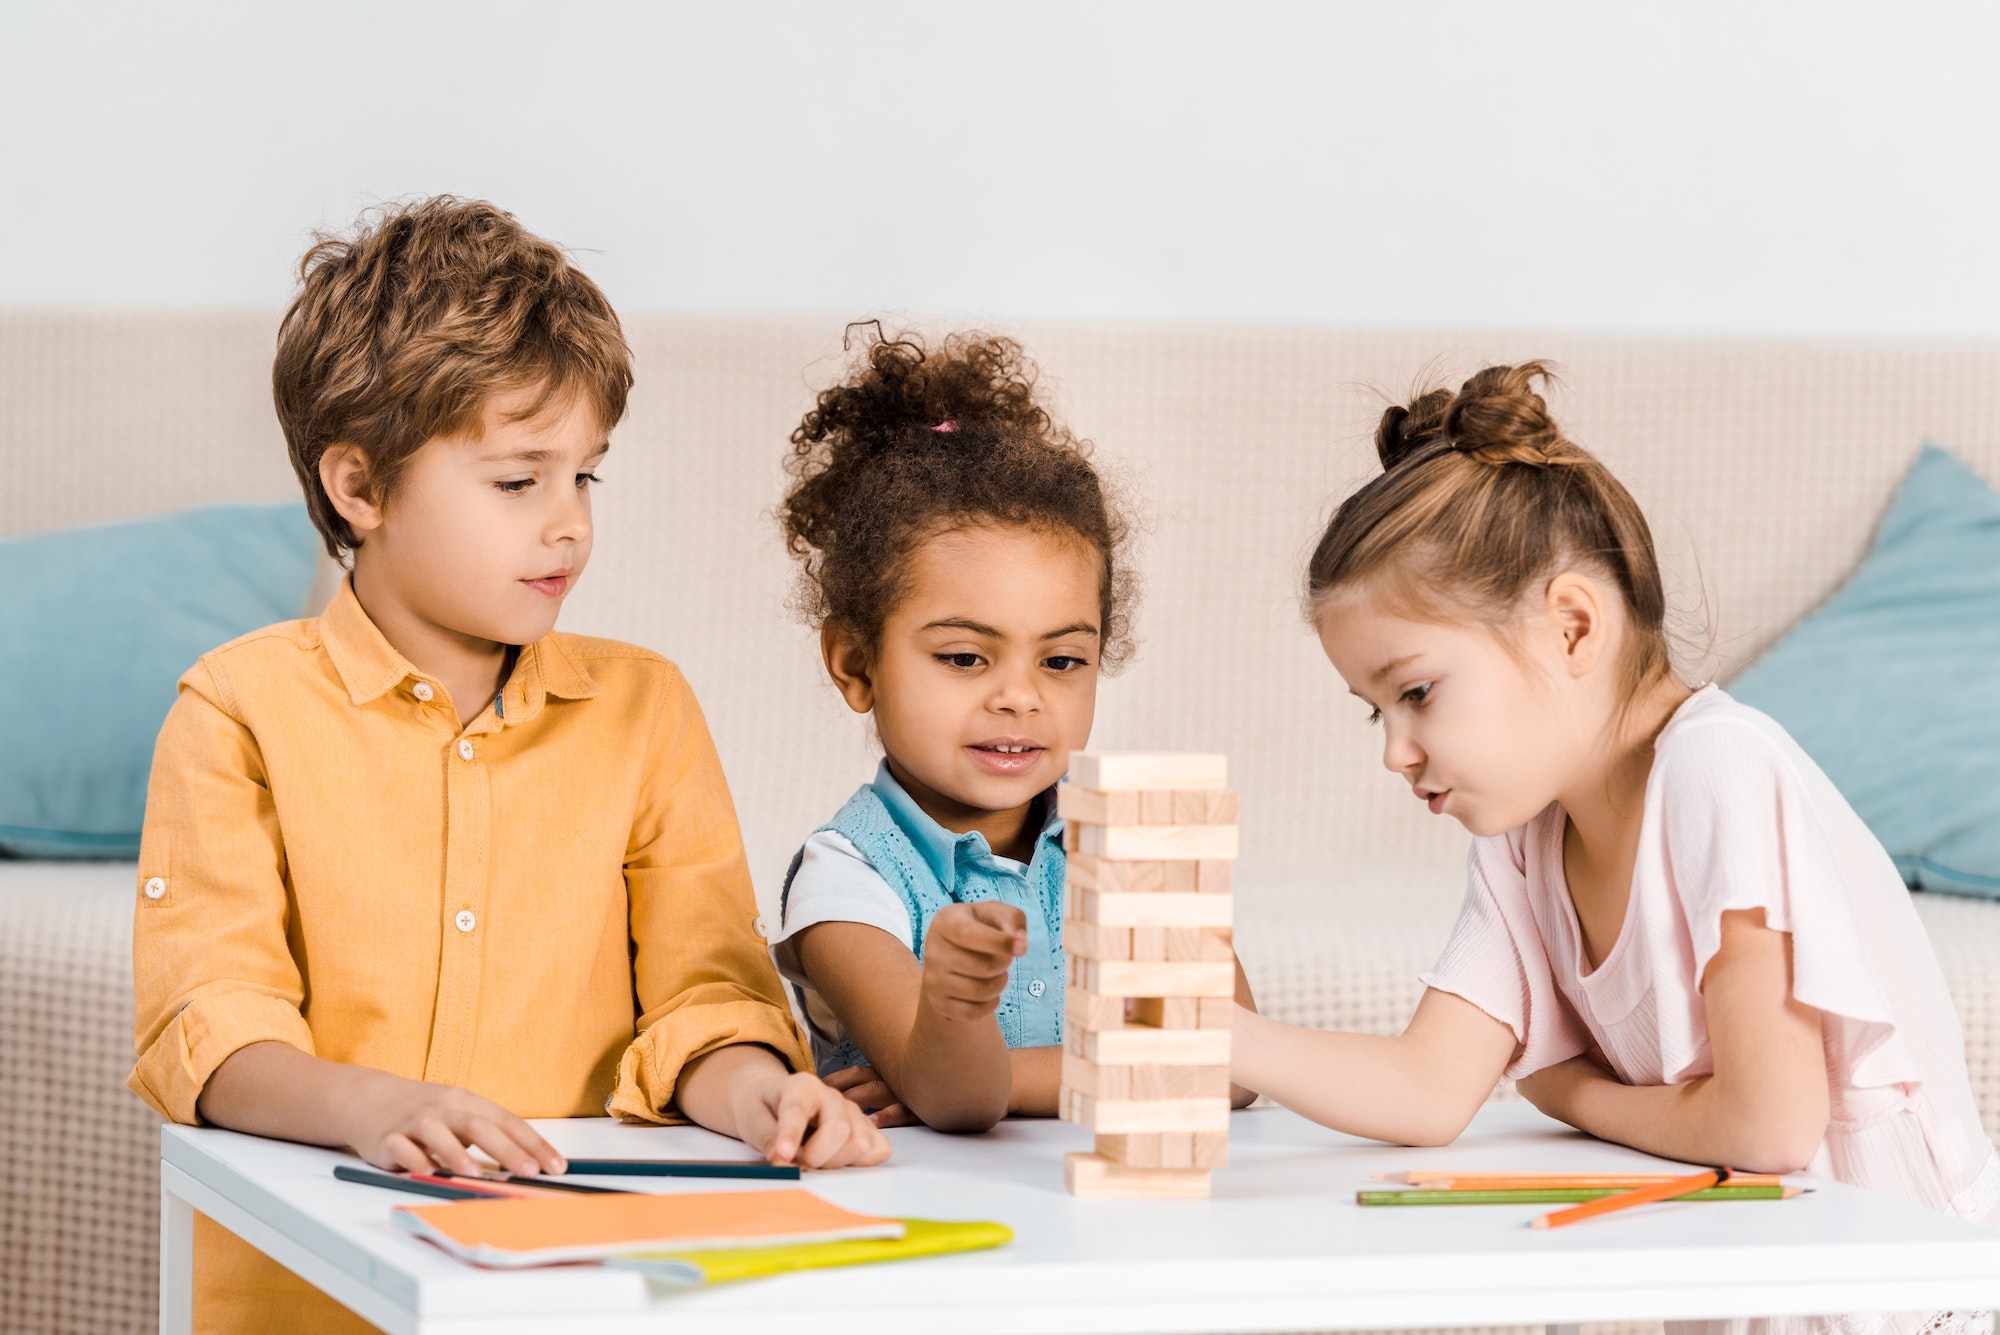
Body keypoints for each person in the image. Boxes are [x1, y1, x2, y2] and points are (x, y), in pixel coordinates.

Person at [129, 198, 887, 1335]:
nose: (568, 525)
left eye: (586, 477)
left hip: (578, 1286)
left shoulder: (644, 708)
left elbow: (699, 1001)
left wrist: (763, 1096)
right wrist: (370, 1105)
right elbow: (210, 1027)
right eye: (517, 479)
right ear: (360, 488)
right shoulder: (236, 712)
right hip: (311, 1289)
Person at [1231, 361, 1998, 1335]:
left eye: (1415, 691)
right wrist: (1226, 1036)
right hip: (1749, 1290)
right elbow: (1428, 1089)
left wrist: (1575, 1094)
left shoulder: (1717, 770)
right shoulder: (1519, 841)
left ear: (1570, 625)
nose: (1394, 751)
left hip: (1895, 1302)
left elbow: (1764, 1128)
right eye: (1371, 713)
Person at [768, 325, 1257, 1131]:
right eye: (965, 657)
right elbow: (956, 1099)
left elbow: (1231, 1060)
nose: (1020, 698)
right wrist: (965, 1027)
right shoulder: (846, 877)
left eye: (1061, 662)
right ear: (856, 664)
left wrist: (1002, 1075)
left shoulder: (1128, 839)